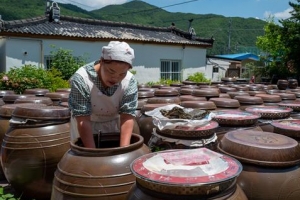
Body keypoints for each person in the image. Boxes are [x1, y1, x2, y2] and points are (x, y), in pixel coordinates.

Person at [68, 41, 138, 148]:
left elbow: (127, 117)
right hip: (85, 126)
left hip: (113, 124)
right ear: (101, 61)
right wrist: (92, 153)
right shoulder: (82, 79)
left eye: (122, 74)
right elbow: (83, 119)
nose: (115, 78)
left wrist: (124, 150)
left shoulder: (130, 81)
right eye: (111, 71)